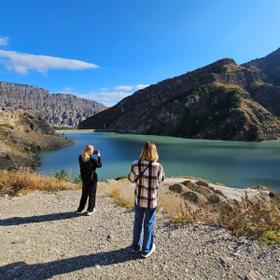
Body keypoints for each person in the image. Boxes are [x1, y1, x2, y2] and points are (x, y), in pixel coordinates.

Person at [128, 141, 165, 258]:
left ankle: (135, 247)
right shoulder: (158, 167)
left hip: (139, 199)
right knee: (149, 224)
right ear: (154, 152)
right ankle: (146, 249)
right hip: (151, 201)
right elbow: (162, 179)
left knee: (137, 222)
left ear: (142, 151)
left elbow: (131, 179)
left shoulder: (135, 164)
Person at [77, 144, 102, 216]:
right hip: (92, 179)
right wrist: (99, 156)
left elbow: (86, 159)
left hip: (84, 178)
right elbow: (100, 165)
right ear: (90, 151)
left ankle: (80, 209)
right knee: (92, 194)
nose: (93, 151)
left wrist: (90, 154)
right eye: (92, 150)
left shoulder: (80, 157)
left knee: (84, 194)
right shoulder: (92, 160)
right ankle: (90, 210)